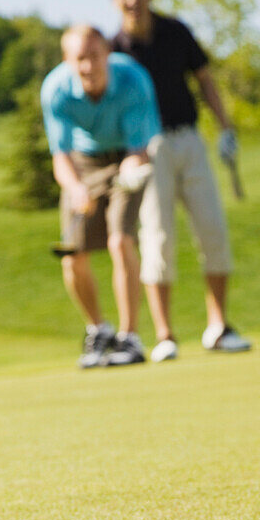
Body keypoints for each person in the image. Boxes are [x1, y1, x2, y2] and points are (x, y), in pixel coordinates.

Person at [110, 0, 251, 362]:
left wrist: (225, 128)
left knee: (213, 230)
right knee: (158, 238)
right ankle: (165, 334)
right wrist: (125, 157)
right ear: (115, 0)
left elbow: (205, 78)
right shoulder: (115, 48)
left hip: (189, 138)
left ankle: (219, 327)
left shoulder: (176, 31)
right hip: (147, 149)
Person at [41, 24, 161, 368]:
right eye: (80, 58)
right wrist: (76, 188)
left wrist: (129, 171)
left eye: (94, 56)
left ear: (107, 53)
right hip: (82, 163)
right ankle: (99, 331)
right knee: (72, 257)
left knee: (120, 241)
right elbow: (60, 155)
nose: (89, 66)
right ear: (67, 60)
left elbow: (140, 148)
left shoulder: (133, 80)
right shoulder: (56, 90)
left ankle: (129, 338)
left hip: (128, 156)